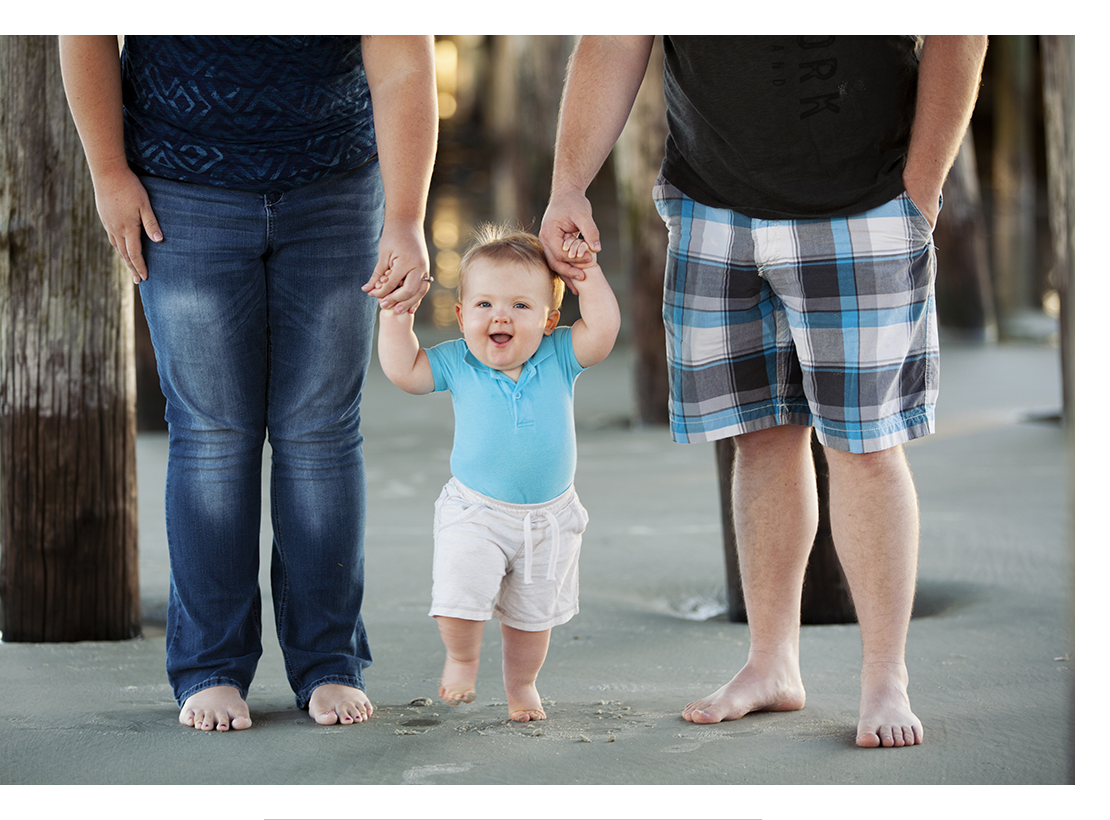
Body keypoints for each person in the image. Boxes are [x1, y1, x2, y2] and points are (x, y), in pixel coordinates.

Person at [541, 35, 987, 747]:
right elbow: (617, 35)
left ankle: (884, 680)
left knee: (865, 446)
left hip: (865, 202)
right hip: (711, 205)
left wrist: (921, 190)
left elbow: (960, 29)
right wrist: (568, 185)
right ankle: (770, 663)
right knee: (757, 435)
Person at [59, 35, 437, 731]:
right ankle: (209, 666)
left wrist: (407, 217)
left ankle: (328, 662)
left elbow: (404, 59)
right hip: (179, 189)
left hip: (337, 188)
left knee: (320, 432)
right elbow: (83, 29)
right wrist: (108, 172)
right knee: (212, 434)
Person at [376, 226, 620, 721]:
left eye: (520, 306)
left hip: (549, 519)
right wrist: (396, 316)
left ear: (550, 320)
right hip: (477, 510)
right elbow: (405, 372)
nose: (500, 315)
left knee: (533, 618)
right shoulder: (457, 361)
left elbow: (604, 331)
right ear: (462, 316)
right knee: (459, 591)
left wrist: (586, 275)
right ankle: (462, 659)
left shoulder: (558, 356)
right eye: (484, 305)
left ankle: (522, 685)